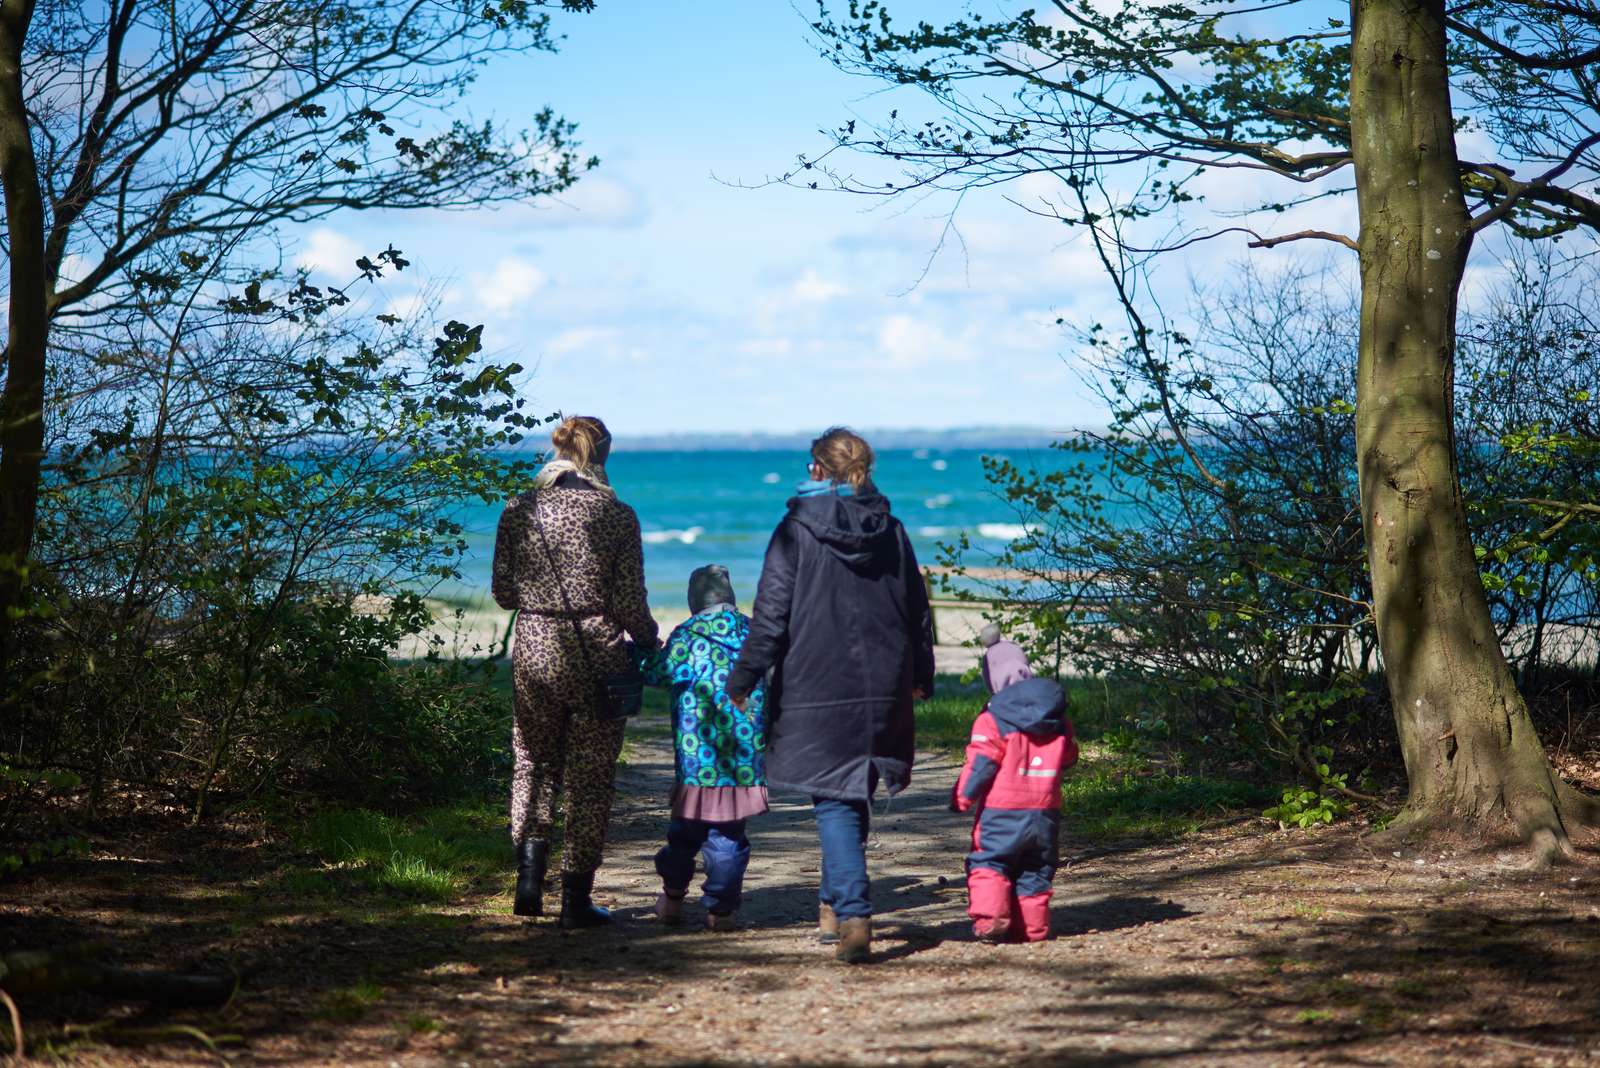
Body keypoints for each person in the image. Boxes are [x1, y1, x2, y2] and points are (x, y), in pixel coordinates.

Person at [727, 427, 935, 964]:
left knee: (836, 801)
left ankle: (854, 912)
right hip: (882, 684)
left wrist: (743, 678)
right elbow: (917, 611)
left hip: (815, 684)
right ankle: (831, 907)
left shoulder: (795, 530)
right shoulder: (891, 530)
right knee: (852, 789)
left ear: (817, 469)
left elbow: (771, 617)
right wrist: (921, 675)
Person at [491, 414, 659, 929]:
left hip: (536, 647)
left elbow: (503, 594)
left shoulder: (519, 509)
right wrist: (650, 641)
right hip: (596, 651)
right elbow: (630, 602)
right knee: (590, 777)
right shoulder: (617, 515)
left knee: (534, 762)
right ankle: (575, 898)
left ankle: (527, 882)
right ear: (602, 455)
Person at [641, 564, 768, 932]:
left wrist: (639, 653)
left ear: (694, 601)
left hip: (697, 759)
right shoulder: (753, 632)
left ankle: (673, 897)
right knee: (728, 835)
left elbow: (659, 674)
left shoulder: (688, 634)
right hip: (743, 760)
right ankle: (721, 909)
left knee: (684, 833)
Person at [951, 636, 1077, 944]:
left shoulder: (993, 718)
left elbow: (982, 762)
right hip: (1046, 811)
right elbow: (1070, 755)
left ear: (991, 677)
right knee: (1036, 867)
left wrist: (962, 796)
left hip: (1001, 812)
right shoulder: (1055, 716)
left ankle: (992, 923)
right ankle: (1033, 930)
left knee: (990, 861)